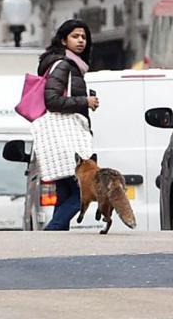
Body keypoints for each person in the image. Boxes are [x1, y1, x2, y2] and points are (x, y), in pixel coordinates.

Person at [37, 19, 99, 231]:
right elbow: (52, 100)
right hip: (67, 138)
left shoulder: (72, 66)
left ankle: (55, 239)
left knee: (64, 192)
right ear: (63, 40)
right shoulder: (64, 65)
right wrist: (84, 101)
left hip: (62, 138)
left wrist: (84, 97)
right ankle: (51, 230)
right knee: (83, 190)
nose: (81, 41)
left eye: (83, 37)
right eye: (75, 36)